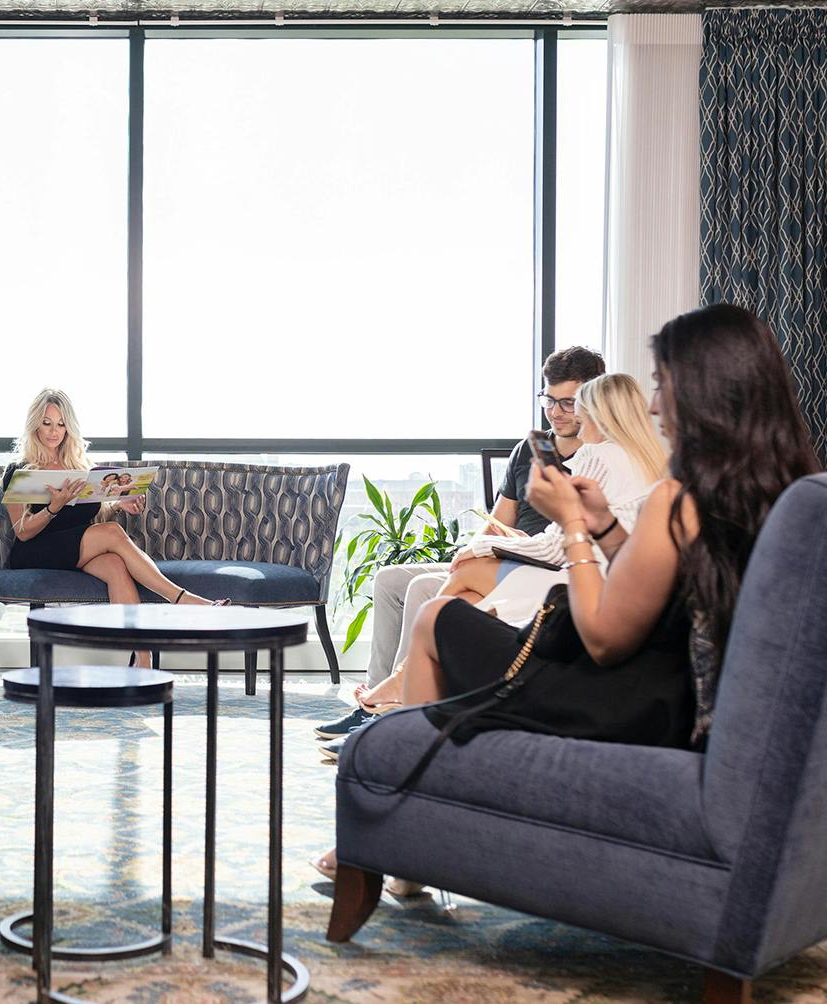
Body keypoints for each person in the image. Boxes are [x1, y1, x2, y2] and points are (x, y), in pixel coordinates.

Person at [312, 303, 819, 886]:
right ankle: (406, 839)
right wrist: (603, 525)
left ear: (707, 392)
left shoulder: (678, 497)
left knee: (438, 617)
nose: (653, 406)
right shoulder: (782, 490)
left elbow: (604, 639)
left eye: (663, 387)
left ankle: (400, 841)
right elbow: (673, 588)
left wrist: (573, 526)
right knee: (450, 619)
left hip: (631, 698)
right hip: (673, 689)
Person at [316, 345, 607, 739]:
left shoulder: (601, 456)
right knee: (389, 579)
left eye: (568, 403)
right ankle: (374, 696)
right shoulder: (528, 451)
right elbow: (497, 522)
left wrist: (519, 545)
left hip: (543, 564)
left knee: (422, 587)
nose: (555, 412)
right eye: (548, 400)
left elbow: (581, 538)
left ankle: (392, 709)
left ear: (594, 398)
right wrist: (483, 543)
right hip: (505, 553)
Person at [348, 373, 669, 712]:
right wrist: (505, 542)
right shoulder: (648, 462)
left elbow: (555, 546)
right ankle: (406, 692)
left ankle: (402, 682)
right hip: (583, 569)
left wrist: (484, 548)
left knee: (465, 574)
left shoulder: (597, 456)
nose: (568, 415)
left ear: (601, 414)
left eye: (576, 407)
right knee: (467, 594)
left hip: (573, 575)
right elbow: (522, 525)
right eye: (550, 401)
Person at [4, 388, 225, 667]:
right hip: (34, 551)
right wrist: (52, 507)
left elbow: (86, 518)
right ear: (35, 423)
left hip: (73, 550)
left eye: (61, 424)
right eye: (47, 423)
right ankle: (182, 600)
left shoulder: (79, 467)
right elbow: (22, 531)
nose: (53, 431)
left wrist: (119, 504)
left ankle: (141, 661)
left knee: (114, 565)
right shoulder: (21, 470)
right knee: (111, 532)